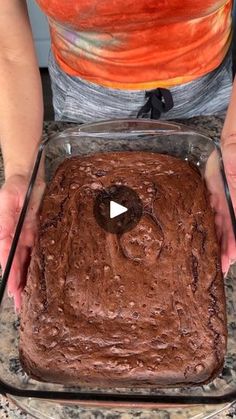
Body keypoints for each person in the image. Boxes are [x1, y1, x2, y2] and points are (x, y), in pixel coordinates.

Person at [0, 0, 235, 310]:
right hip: (85, 102)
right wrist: (21, 174)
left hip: (208, 93)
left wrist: (231, 143)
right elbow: (8, 50)